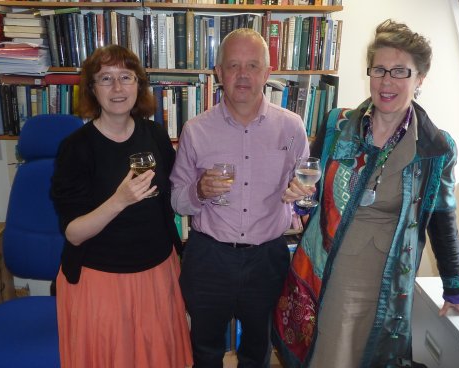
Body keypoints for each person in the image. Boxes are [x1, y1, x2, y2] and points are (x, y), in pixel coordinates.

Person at [273, 19, 459, 368]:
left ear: (420, 78)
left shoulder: (436, 147)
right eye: (379, 70)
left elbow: (443, 217)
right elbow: (314, 188)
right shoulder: (338, 124)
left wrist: (456, 288)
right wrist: (300, 193)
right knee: (328, 355)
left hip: (390, 279)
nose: (387, 81)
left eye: (400, 71)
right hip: (330, 270)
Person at [170, 28, 309, 368]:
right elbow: (177, 201)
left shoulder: (291, 128)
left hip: (267, 258)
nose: (243, 75)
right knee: (204, 349)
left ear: (267, 72)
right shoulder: (195, 130)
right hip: (209, 259)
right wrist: (198, 191)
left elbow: (307, 186)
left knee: (257, 350)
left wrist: (303, 193)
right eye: (233, 66)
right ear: (218, 73)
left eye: (252, 65)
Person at [51, 45, 193, 368]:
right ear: (91, 89)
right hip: (102, 283)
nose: (118, 88)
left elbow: (173, 198)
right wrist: (119, 201)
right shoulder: (75, 149)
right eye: (106, 79)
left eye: (126, 77)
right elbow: (74, 233)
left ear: (138, 85)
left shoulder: (155, 135)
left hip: (158, 276)